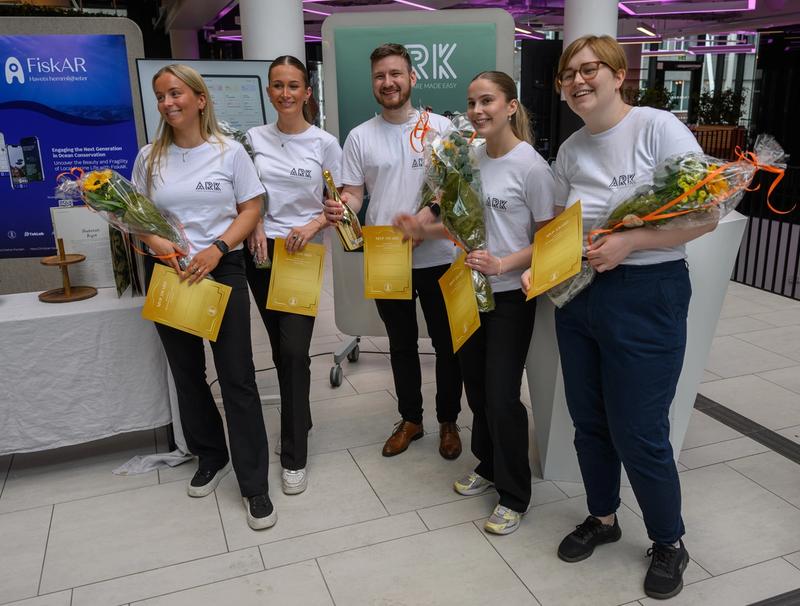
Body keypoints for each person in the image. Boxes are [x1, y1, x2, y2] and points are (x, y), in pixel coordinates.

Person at [521, 35, 714, 599]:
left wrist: (633, 244)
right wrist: (543, 267)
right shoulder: (574, 148)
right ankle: (603, 519)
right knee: (589, 421)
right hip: (580, 294)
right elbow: (558, 227)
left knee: (640, 429)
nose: (578, 81)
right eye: (568, 74)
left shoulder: (658, 128)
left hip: (646, 292)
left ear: (617, 74)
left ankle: (669, 541)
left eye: (590, 70)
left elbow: (704, 214)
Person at [394, 71, 555, 535]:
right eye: (471, 103)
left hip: (509, 297)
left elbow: (549, 241)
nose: (477, 111)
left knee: (503, 396)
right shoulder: (471, 157)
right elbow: (456, 221)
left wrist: (505, 264)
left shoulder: (532, 167)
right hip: (469, 289)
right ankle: (487, 465)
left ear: (510, 106)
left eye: (487, 101)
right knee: (477, 387)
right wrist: (419, 227)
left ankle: (514, 493)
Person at [133, 64, 275, 531]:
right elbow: (135, 216)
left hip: (221, 269)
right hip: (170, 271)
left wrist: (218, 249)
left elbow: (251, 207)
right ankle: (211, 455)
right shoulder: (149, 158)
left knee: (238, 377)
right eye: (160, 96)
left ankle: (255, 483)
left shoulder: (229, 152)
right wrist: (157, 244)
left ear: (199, 98)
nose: (167, 103)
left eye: (175, 93)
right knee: (187, 374)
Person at [324, 43, 463, 460]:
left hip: (438, 253)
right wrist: (340, 206)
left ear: (412, 78)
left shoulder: (441, 129)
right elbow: (353, 192)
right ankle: (411, 419)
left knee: (446, 343)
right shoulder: (360, 136)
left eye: (396, 74)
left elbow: (453, 188)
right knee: (400, 344)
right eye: (380, 76)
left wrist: (423, 221)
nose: (388, 82)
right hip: (386, 254)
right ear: (374, 82)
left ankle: (448, 420)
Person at [244, 55, 342, 495]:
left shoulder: (324, 143)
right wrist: (258, 222)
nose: (285, 93)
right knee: (281, 353)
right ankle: (299, 416)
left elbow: (338, 204)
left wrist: (314, 225)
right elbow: (243, 194)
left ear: (307, 92)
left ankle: (293, 454)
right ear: (269, 91)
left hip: (301, 253)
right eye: (277, 85)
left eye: (294, 85)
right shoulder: (251, 139)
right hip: (260, 253)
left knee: (296, 350)